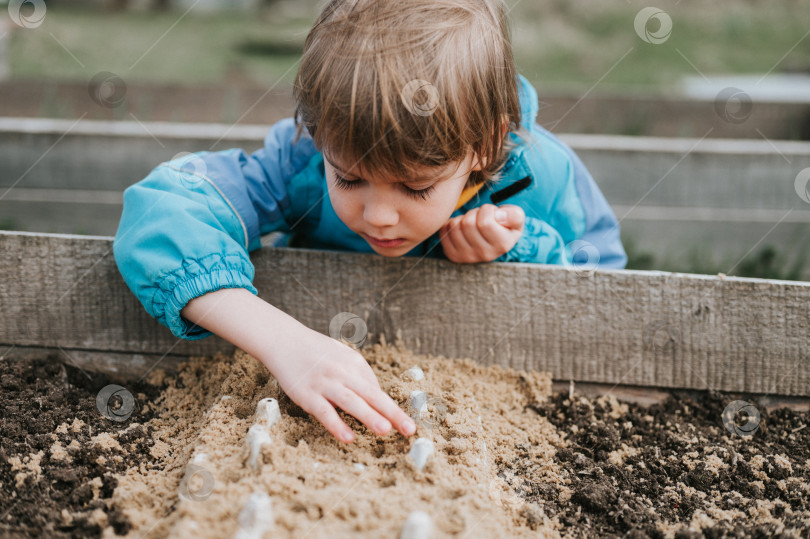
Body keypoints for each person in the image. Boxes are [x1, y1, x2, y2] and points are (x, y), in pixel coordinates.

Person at [113, 0, 626, 445]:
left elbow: (606, 296)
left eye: (416, 187)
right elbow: (164, 207)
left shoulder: (545, 177)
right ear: (319, 133)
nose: (378, 216)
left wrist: (520, 251)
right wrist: (283, 341)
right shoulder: (300, 163)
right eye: (350, 180)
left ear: (484, 145)